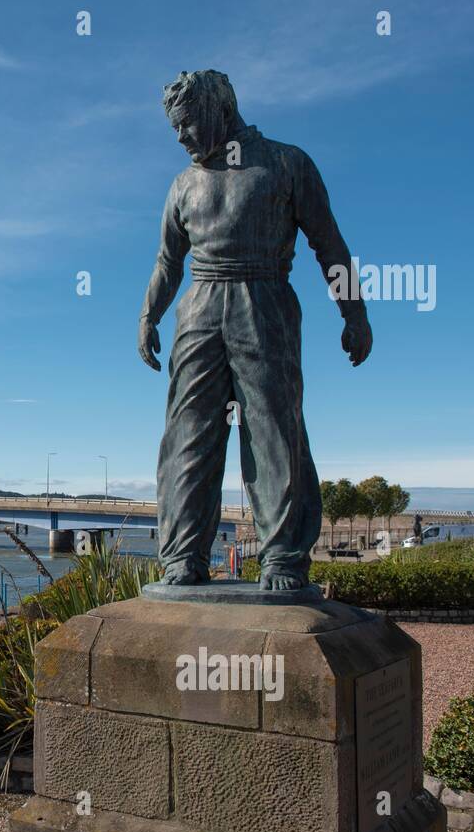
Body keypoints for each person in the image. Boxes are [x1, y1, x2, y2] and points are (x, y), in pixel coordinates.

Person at [139, 70, 372, 590]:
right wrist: (148, 314)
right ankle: (183, 556)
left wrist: (354, 313)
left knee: (273, 432)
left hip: (263, 300)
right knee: (188, 434)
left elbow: (329, 245)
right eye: (174, 129)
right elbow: (167, 262)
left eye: (187, 124)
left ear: (220, 111)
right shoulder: (182, 184)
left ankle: (283, 557)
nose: (180, 137)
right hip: (198, 309)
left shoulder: (287, 163)